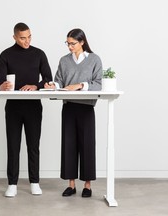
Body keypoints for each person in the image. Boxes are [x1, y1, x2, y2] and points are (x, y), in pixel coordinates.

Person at [0, 22, 52, 197]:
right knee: (13, 146)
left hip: (33, 107)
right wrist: (2, 86)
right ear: (14, 37)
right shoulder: (5, 55)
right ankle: (12, 183)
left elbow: (49, 79)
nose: (27, 41)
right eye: (22, 38)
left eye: (29, 37)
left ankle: (34, 182)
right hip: (13, 107)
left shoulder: (39, 54)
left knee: (33, 145)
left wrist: (36, 85)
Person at [44, 28, 102, 198]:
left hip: (86, 107)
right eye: (67, 43)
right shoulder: (64, 61)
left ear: (82, 42)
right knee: (69, 145)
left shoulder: (94, 60)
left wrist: (79, 85)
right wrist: (52, 85)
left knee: (87, 145)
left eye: (72, 43)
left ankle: (87, 185)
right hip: (68, 107)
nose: (69, 46)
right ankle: (71, 184)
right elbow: (59, 80)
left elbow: (98, 83)